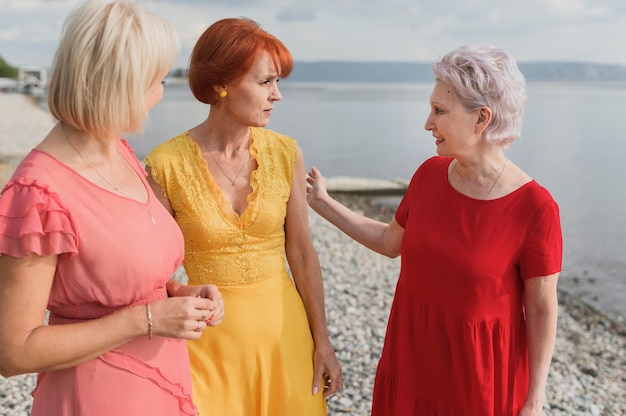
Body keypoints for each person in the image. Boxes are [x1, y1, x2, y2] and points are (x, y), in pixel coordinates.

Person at [306, 44, 562, 416]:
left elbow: (541, 310)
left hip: (478, 383)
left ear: (482, 119)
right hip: (411, 361)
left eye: (439, 112)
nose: (428, 123)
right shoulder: (429, 174)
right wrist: (324, 203)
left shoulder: (535, 208)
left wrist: (534, 399)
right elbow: (389, 241)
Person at [0, 1, 224, 415]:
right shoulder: (38, 193)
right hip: (99, 397)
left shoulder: (120, 151)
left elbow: (116, 275)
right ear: (120, 86)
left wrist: (178, 295)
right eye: (156, 80)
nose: (161, 93)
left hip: (160, 382)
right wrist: (148, 320)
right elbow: (14, 352)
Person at [144, 17, 342, 416]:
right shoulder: (164, 165)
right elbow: (152, 273)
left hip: (285, 336)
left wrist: (322, 341)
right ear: (223, 83)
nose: (277, 95)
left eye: (278, 82)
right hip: (206, 343)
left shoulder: (287, 152)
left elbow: (301, 253)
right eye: (265, 82)